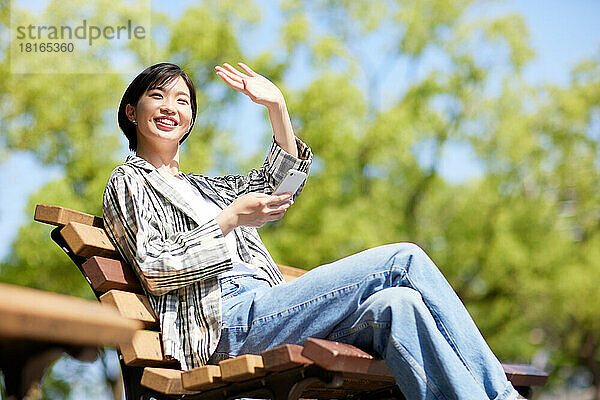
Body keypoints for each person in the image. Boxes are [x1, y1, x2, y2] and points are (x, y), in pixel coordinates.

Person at [103, 62, 523, 400]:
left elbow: (281, 185)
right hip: (224, 322)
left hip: (264, 306)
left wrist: (277, 108)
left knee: (398, 305)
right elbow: (157, 268)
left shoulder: (205, 187)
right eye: (157, 95)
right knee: (403, 261)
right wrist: (228, 219)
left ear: (190, 119)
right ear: (131, 112)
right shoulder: (129, 181)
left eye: (181, 100)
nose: (169, 107)